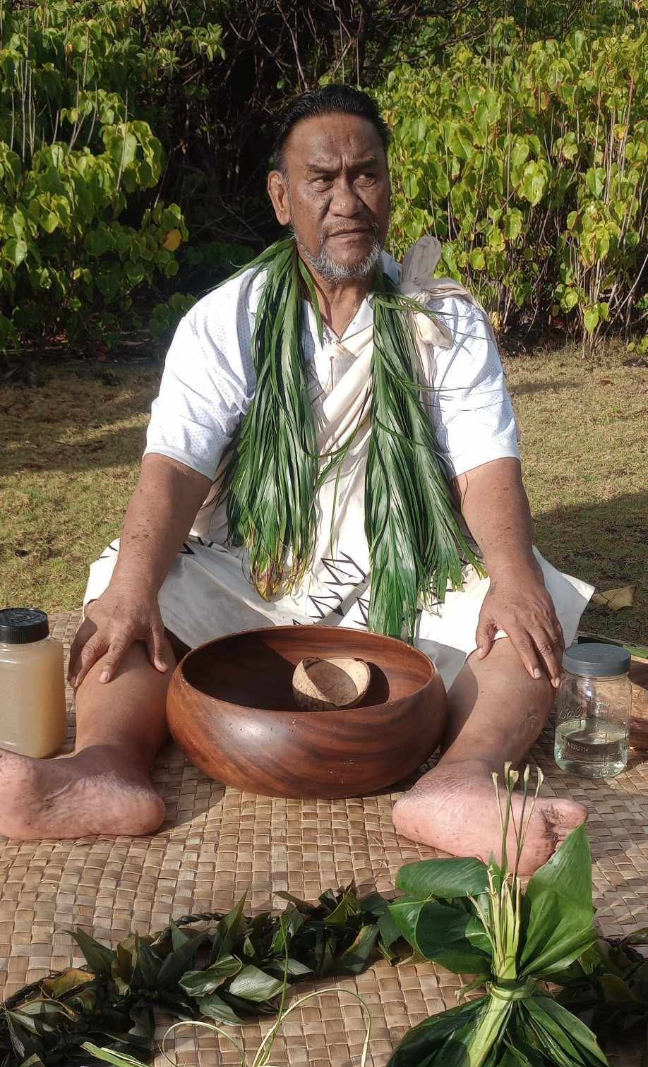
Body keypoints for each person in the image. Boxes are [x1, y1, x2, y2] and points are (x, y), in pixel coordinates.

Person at [0, 85, 592, 870]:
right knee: (128, 583)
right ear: (282, 198)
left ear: (389, 185)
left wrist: (512, 576)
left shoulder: (442, 318)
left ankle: (459, 783)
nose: (348, 200)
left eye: (366, 175)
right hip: (255, 569)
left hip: (405, 570)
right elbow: (175, 466)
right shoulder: (228, 317)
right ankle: (105, 770)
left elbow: (487, 464)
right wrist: (137, 583)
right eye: (323, 180)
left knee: (532, 600)